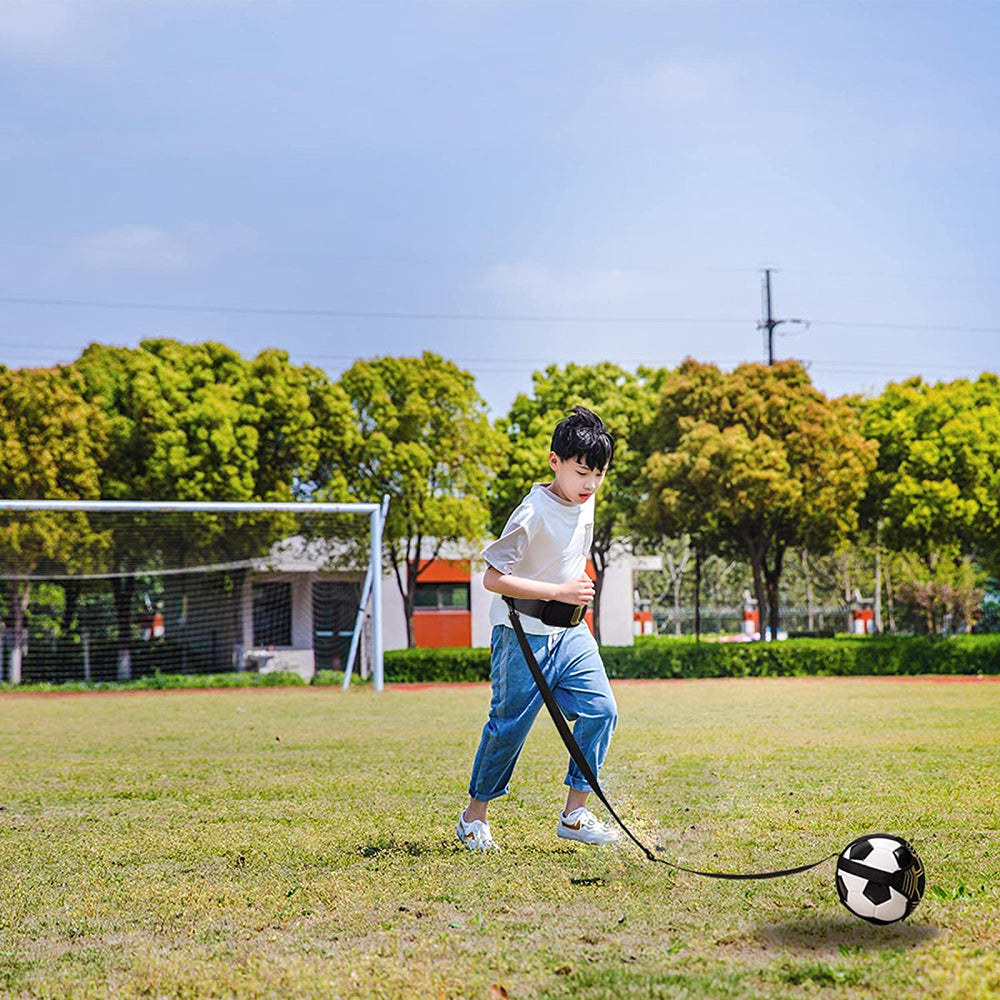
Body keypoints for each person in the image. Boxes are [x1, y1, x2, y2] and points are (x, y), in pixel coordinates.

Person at [457, 405, 620, 853]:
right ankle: (474, 817)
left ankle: (574, 814)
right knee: (508, 728)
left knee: (602, 711)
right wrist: (557, 590)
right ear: (555, 462)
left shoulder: (585, 502)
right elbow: (492, 578)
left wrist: (571, 591)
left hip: (571, 633)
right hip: (521, 636)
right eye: (581, 471)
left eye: (599, 474)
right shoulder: (531, 511)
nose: (590, 484)